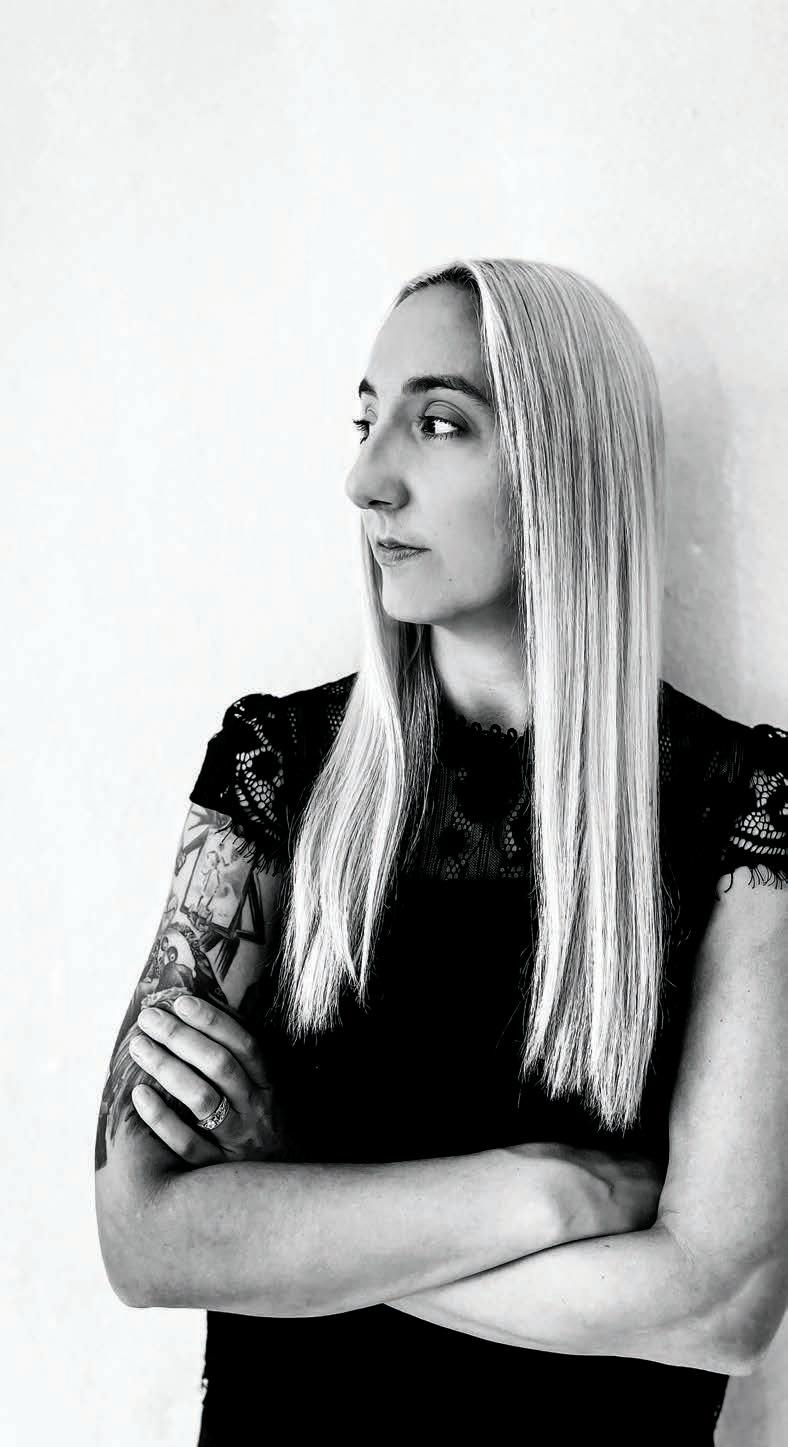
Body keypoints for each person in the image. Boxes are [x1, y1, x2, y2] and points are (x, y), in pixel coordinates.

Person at [94, 258, 788, 1444]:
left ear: (562, 461)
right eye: (366, 421)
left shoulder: (747, 805)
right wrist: (553, 1193)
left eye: (437, 422)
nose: (366, 480)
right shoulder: (273, 767)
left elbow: (716, 1305)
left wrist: (297, 1203)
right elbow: (145, 1239)